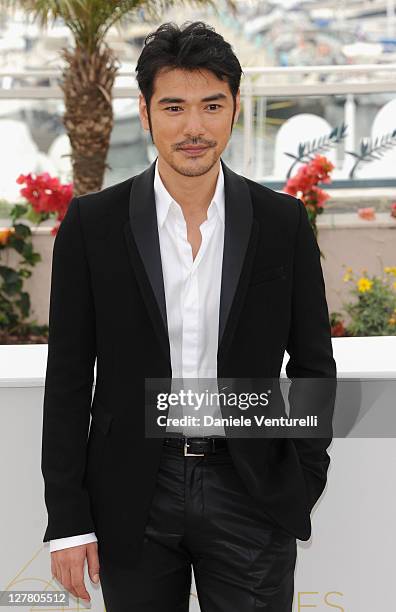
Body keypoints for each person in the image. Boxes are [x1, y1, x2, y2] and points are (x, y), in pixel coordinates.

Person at [41, 21, 337, 612]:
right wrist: (68, 520)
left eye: (211, 105)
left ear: (232, 111)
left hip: (250, 485)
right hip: (132, 492)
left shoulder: (281, 224)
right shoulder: (92, 227)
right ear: (146, 114)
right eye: (174, 106)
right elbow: (69, 380)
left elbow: (312, 365)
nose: (194, 127)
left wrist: (302, 479)